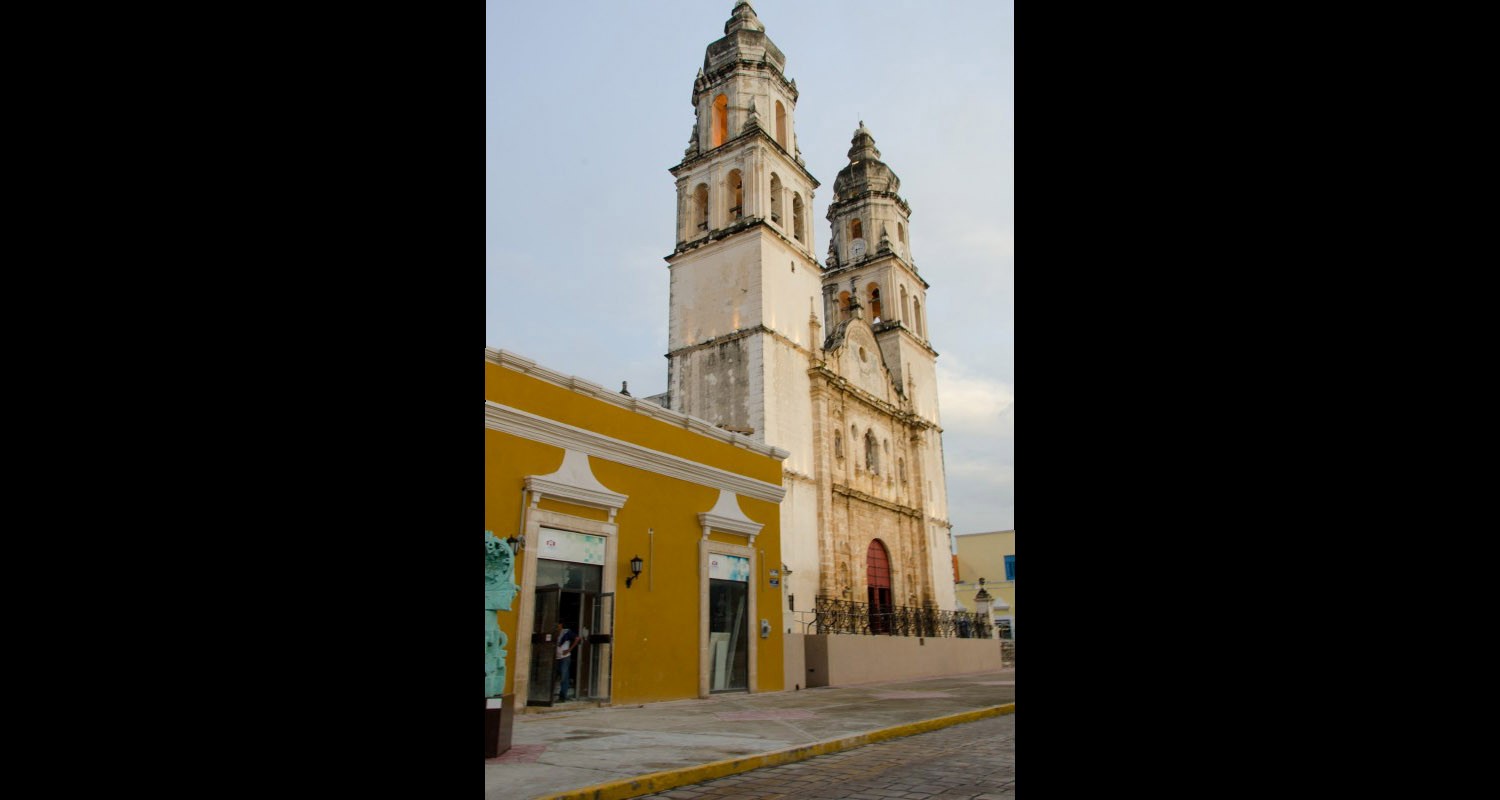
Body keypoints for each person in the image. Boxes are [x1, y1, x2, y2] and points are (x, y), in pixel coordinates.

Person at [554, 621, 578, 702]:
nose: (556, 626)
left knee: (564, 676)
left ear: (561, 624)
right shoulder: (555, 632)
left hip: (564, 657)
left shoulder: (566, 632)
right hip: (556, 657)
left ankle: (562, 696)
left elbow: (577, 638)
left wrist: (569, 650)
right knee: (555, 675)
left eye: (557, 624)